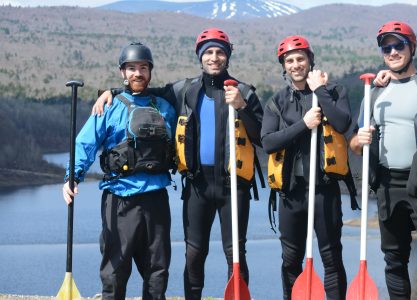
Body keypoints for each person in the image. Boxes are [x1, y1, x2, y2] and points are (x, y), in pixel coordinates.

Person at [93, 28, 264, 299]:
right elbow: (142, 91)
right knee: (194, 254)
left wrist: (242, 106)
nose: (214, 57)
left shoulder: (243, 91)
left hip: (234, 188)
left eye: (220, 52)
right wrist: (110, 92)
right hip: (197, 187)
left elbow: (261, 137)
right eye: (208, 52)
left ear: (228, 56)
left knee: (235, 255)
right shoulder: (185, 90)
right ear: (200, 56)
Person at [349, 21, 417, 299]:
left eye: (399, 45)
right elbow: (354, 145)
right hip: (387, 185)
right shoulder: (373, 93)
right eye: (387, 48)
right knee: (394, 261)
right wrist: (358, 141)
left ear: (412, 47)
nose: (393, 52)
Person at [62, 42, 176, 300]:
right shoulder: (108, 107)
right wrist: (72, 176)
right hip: (120, 199)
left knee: (157, 271)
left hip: (156, 199)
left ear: (150, 71)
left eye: (143, 68)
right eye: (132, 68)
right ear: (122, 73)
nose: (138, 73)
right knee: (115, 271)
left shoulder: (165, 108)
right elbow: (85, 144)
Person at [261, 35, 354, 300]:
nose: (295, 64)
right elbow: (268, 142)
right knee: (291, 259)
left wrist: (320, 92)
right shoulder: (277, 102)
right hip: (291, 193)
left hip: (324, 189)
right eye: (289, 60)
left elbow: (343, 123)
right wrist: (304, 124)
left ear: (310, 61)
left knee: (331, 256)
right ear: (284, 66)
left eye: (300, 59)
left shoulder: (333, 91)